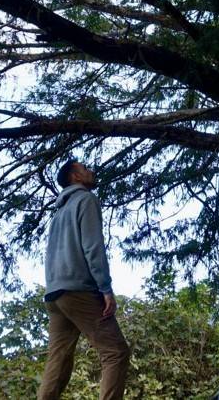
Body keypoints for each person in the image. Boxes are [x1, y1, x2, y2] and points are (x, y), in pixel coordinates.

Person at [38, 160, 131, 400]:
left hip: (55, 294)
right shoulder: (85, 200)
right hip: (78, 290)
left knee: (57, 364)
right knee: (116, 353)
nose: (92, 171)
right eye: (86, 168)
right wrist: (106, 288)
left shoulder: (59, 212)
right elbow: (93, 247)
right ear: (75, 176)